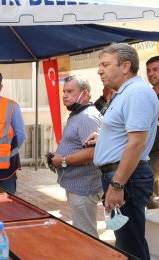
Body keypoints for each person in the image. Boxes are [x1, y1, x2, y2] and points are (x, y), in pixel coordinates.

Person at [87, 43, 158, 260]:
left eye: (105, 65)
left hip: (127, 178)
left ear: (126, 66)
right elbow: (126, 132)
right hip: (122, 176)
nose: (100, 70)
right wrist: (105, 139)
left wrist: (118, 185)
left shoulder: (137, 92)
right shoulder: (124, 92)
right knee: (126, 242)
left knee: (131, 246)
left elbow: (137, 144)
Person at [50, 75, 103, 237]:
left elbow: (93, 152)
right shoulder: (78, 114)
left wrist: (64, 160)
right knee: (82, 231)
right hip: (77, 186)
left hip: (84, 188)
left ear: (84, 94)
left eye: (70, 91)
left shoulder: (88, 117)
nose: (65, 95)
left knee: (86, 235)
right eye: (64, 91)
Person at [146, 55, 159, 209]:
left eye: (155, 70)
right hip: (147, 150)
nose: (151, 74)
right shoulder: (148, 95)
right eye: (148, 70)